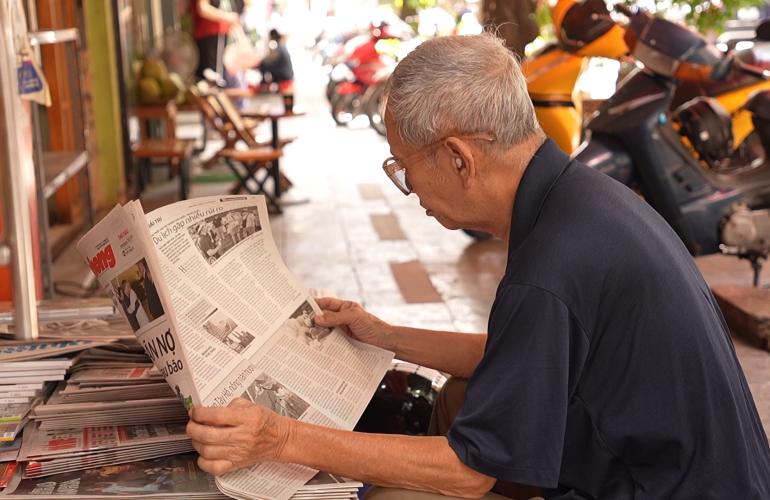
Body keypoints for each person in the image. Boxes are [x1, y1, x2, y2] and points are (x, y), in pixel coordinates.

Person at [186, 33, 770, 499]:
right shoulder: (577, 200)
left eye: (404, 168)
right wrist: (384, 336)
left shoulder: (552, 261)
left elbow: (470, 470)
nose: (409, 190)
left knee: (397, 496)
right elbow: (521, 356)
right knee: (466, 395)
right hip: (716, 478)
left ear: (458, 158)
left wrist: (280, 437)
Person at [190, 0, 241, 80]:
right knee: (213, 78)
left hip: (206, 33)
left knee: (207, 77)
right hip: (210, 33)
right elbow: (202, 8)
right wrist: (227, 17)